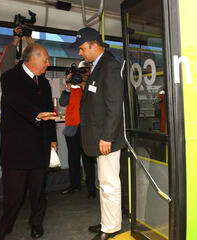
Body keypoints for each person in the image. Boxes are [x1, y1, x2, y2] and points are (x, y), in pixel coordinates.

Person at [0, 43, 57, 240]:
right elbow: (17, 101)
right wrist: (36, 115)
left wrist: (52, 139)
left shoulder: (44, 83)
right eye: (45, 60)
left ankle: (36, 224)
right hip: (17, 149)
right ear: (31, 59)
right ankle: (5, 227)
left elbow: (50, 113)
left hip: (40, 148)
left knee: (38, 193)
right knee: (14, 195)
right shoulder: (10, 77)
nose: (47, 64)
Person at [73, 27, 125, 240]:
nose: (80, 53)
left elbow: (114, 105)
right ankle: (108, 222)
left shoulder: (109, 66)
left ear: (95, 45)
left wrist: (107, 137)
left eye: (82, 48)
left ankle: (111, 228)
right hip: (100, 136)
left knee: (109, 184)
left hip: (106, 139)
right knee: (104, 184)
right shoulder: (97, 66)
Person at [59, 61, 96, 198]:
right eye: (81, 71)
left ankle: (91, 188)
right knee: (73, 159)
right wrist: (69, 85)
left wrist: (83, 85)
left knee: (88, 161)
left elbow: (93, 100)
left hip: (86, 128)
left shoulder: (92, 85)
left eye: (86, 70)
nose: (83, 73)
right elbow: (63, 102)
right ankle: (74, 185)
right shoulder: (72, 86)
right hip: (72, 128)